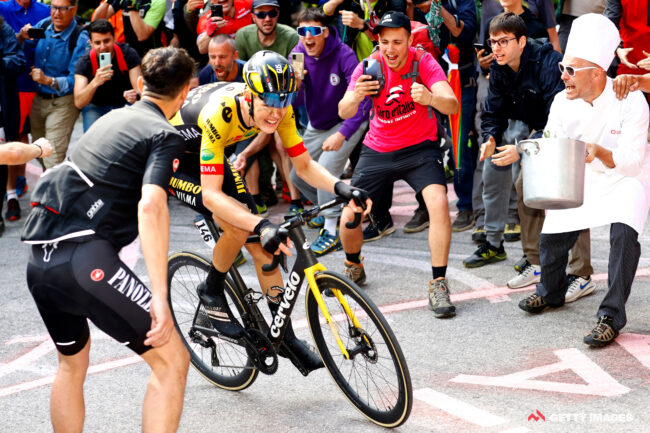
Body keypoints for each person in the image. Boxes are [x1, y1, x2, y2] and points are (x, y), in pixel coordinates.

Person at [21, 47, 195, 432]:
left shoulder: (112, 118)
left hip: (40, 262)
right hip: (85, 263)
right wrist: (160, 298)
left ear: (139, 83)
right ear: (185, 93)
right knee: (172, 362)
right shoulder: (164, 134)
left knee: (71, 364)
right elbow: (151, 207)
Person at [168, 50, 371, 371]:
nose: (276, 113)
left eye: (284, 102)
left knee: (266, 252)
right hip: (174, 161)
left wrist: (342, 188)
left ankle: (285, 336)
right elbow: (210, 196)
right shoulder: (220, 114)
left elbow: (303, 165)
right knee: (239, 225)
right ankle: (210, 290)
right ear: (249, 96)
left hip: (210, 153)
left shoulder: (280, 109)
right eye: (268, 103)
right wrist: (261, 224)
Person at [518, 14, 650, 348]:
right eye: (563, 67)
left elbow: (633, 161)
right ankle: (551, 292)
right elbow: (552, 140)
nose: (563, 77)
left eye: (571, 70)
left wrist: (602, 152)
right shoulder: (562, 102)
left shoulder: (632, 100)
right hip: (582, 175)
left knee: (623, 236)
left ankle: (610, 315)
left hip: (625, 179)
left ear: (597, 72)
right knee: (553, 237)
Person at [338, 12, 459, 318]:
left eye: (397, 42)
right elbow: (343, 110)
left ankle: (438, 282)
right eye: (383, 42)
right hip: (378, 149)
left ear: (409, 41)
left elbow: (452, 104)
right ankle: (353, 264)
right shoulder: (369, 66)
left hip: (420, 149)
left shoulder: (423, 63)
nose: (390, 49)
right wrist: (356, 97)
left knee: (438, 203)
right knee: (349, 215)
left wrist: (430, 97)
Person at [287, 8, 369, 256]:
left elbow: (362, 101)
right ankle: (335, 207)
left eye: (314, 31)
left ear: (325, 32)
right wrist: (297, 84)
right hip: (317, 123)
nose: (308, 37)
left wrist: (342, 134)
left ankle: (332, 231)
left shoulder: (344, 53)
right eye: (303, 31)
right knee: (297, 176)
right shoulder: (297, 54)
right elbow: (296, 102)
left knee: (323, 169)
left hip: (349, 121)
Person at [404, 0, 478, 235]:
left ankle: (466, 206)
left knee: (460, 147)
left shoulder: (460, 1)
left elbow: (462, 32)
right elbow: (403, 32)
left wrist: (436, 6)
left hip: (458, 83)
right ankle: (425, 205)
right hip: (422, 84)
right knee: (422, 146)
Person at [17, 0, 89, 170]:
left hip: (63, 102)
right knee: (39, 151)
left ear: (74, 10)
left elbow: (75, 80)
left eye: (63, 9)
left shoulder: (80, 37)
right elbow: (25, 46)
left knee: (53, 157)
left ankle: (49, 195)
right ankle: (54, 186)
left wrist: (48, 80)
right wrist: (21, 36)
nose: (57, 13)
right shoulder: (45, 25)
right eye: (54, 8)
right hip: (39, 99)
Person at [0, 0, 50, 222]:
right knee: (12, 138)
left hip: (32, 83)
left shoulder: (46, 10)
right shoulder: (4, 7)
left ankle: (16, 184)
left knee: (19, 137)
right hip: (14, 86)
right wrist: (20, 37)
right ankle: (12, 191)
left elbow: (47, 43)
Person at [74, 19, 142, 131]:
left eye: (106, 41)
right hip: (95, 106)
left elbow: (140, 90)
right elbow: (79, 102)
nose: (103, 47)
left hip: (124, 104)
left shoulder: (128, 54)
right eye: (97, 43)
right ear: (90, 43)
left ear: (114, 38)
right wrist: (95, 82)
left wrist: (135, 96)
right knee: (92, 141)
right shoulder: (85, 62)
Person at [0, 15, 26, 234]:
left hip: (2, 105)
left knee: (2, 155)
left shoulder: (3, 28)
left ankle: (8, 199)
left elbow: (18, 60)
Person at [93, 0, 167, 57]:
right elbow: (96, 21)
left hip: (152, 56)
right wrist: (108, 1)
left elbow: (142, 36)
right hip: (131, 55)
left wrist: (131, 6)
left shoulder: (157, 2)